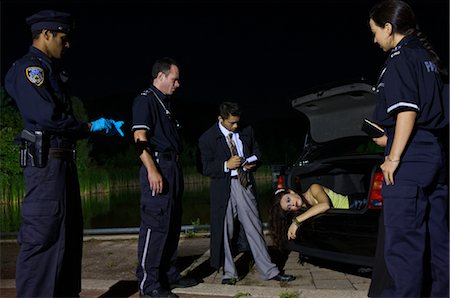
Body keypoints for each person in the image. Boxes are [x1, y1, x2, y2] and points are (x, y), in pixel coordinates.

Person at [4, 9, 124, 297]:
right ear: (46, 34)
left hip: (62, 165)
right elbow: (47, 117)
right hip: (46, 166)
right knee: (42, 237)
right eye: (63, 38)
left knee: (68, 238)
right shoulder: (30, 69)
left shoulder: (49, 71)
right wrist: (90, 126)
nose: (67, 44)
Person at [367, 1, 449, 297]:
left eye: (375, 32)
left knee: (404, 250)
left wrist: (393, 156)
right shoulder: (427, 57)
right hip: (434, 156)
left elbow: (407, 111)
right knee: (438, 244)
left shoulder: (400, 59)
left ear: (388, 28)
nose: (374, 39)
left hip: (411, 160)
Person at [198, 101, 295, 285]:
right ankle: (229, 274)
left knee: (254, 227)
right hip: (224, 188)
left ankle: (269, 270)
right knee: (225, 230)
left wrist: (253, 162)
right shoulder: (207, 138)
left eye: (237, 122)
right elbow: (204, 167)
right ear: (221, 119)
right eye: (232, 123)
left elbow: (257, 152)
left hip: (244, 184)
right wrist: (226, 165)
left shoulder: (246, 130)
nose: (236, 126)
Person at [131, 57, 198, 298]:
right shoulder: (145, 100)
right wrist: (152, 169)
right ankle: (148, 285)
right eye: (175, 79)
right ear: (160, 76)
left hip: (173, 167)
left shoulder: (166, 104)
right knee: (155, 224)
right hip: (158, 164)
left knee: (172, 224)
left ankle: (168, 275)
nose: (178, 84)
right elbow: (139, 137)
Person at [268, 184, 353, 248]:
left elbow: (325, 205)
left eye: (288, 199)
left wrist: (296, 222)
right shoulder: (304, 213)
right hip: (347, 219)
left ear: (291, 192)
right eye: (289, 207)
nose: (293, 204)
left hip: (355, 206)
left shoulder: (313, 188)